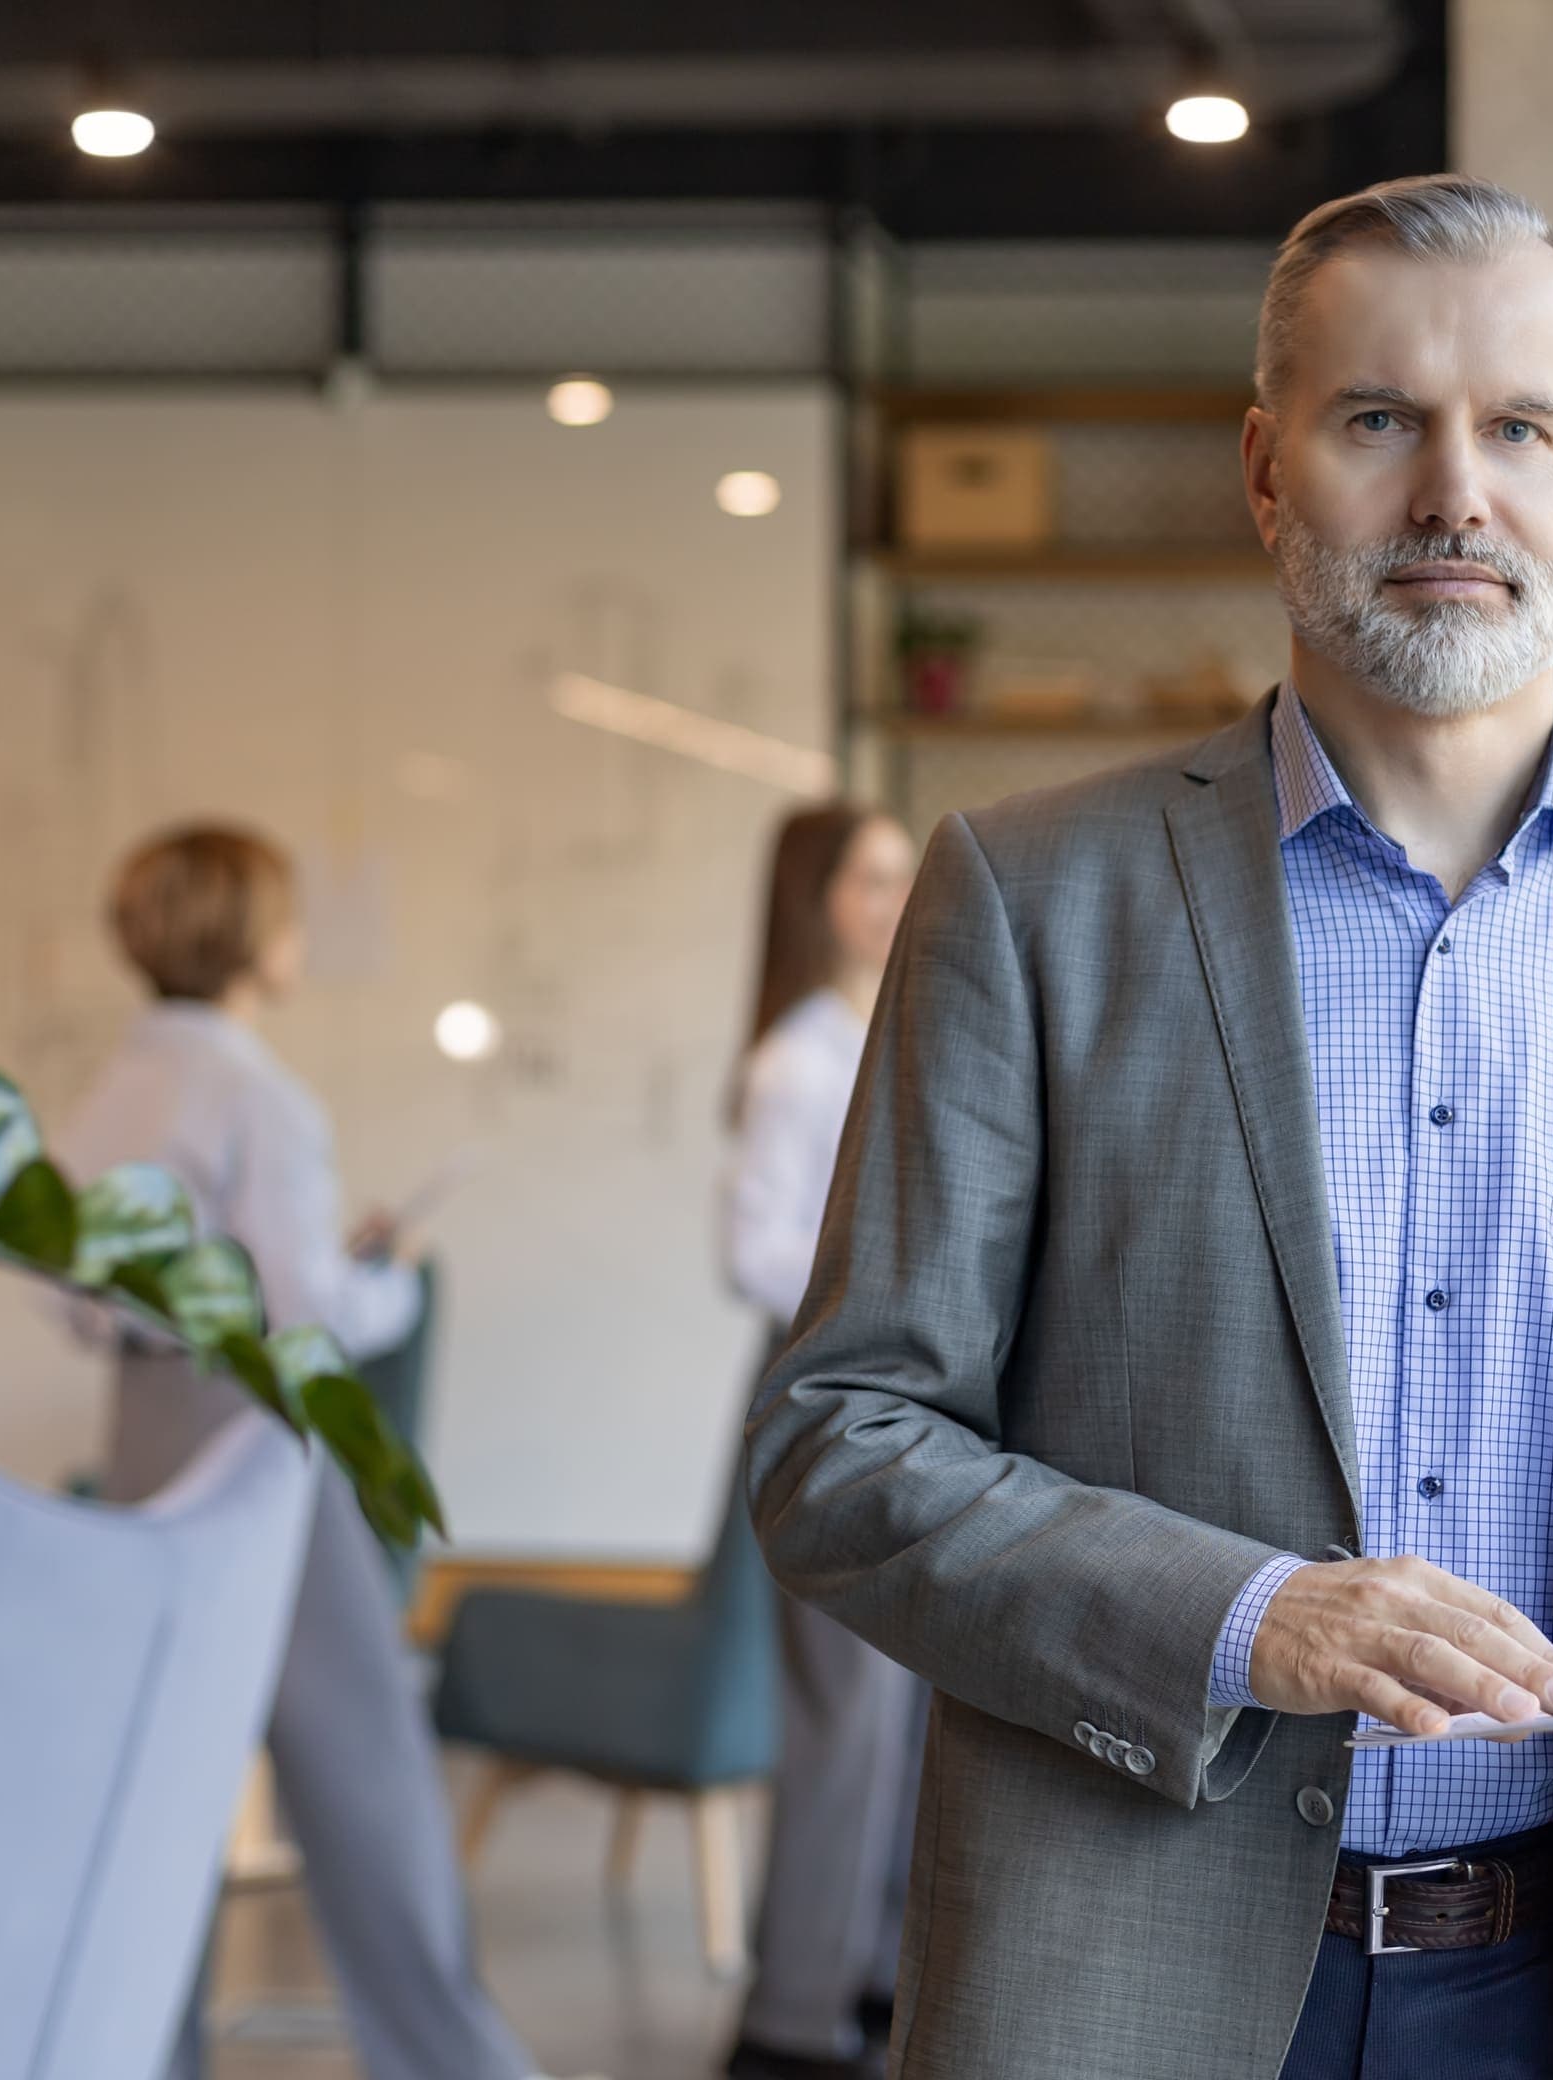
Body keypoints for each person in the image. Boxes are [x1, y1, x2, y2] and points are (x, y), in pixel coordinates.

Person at [745, 174, 1553, 2080]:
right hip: (1122, 1993)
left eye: (1521, 430)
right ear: (1264, 467)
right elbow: (841, 1445)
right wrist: (1245, 1621)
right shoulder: (1031, 898)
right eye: (1381, 420)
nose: (1453, 496)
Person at [58, 823, 543, 2080]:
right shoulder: (258, 1095)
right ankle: (458, 2062)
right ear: (248, 936)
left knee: (159, 1781)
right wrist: (391, 1284)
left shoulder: (106, 1094)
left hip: (140, 1436)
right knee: (368, 1764)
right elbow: (303, 1306)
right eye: (286, 913)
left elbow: (72, 1302)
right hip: (255, 1433)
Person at [717, 804, 923, 2080]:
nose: (897, 899)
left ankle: (882, 1976)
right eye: (871, 878)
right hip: (822, 1388)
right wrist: (889, 1276)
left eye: (908, 875)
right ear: (815, 897)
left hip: (894, 1390)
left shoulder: (881, 1035)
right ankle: (792, 2017)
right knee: (844, 1714)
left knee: (903, 1714)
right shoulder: (796, 1059)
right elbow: (748, 1254)